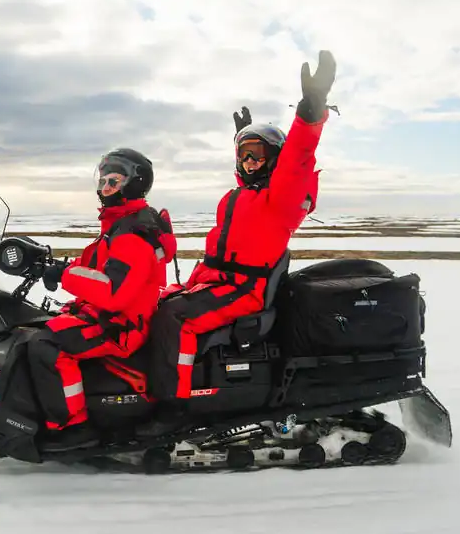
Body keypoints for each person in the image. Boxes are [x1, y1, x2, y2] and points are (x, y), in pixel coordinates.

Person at [143, 51, 336, 429]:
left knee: (174, 319)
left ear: (276, 159)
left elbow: (297, 160)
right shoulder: (243, 196)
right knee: (154, 305)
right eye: (244, 155)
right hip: (216, 283)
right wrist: (244, 136)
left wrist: (310, 114)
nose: (249, 162)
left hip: (245, 290)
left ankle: (172, 408)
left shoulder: (281, 199)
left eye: (258, 155)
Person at [24, 147, 177, 448]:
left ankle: (73, 427)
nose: (104, 189)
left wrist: (65, 276)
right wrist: (59, 269)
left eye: (114, 181)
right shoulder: (119, 224)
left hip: (120, 327)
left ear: (133, 184)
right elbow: (97, 270)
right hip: (106, 315)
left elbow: (113, 291)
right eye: (102, 181)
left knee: (46, 346)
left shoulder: (133, 234)